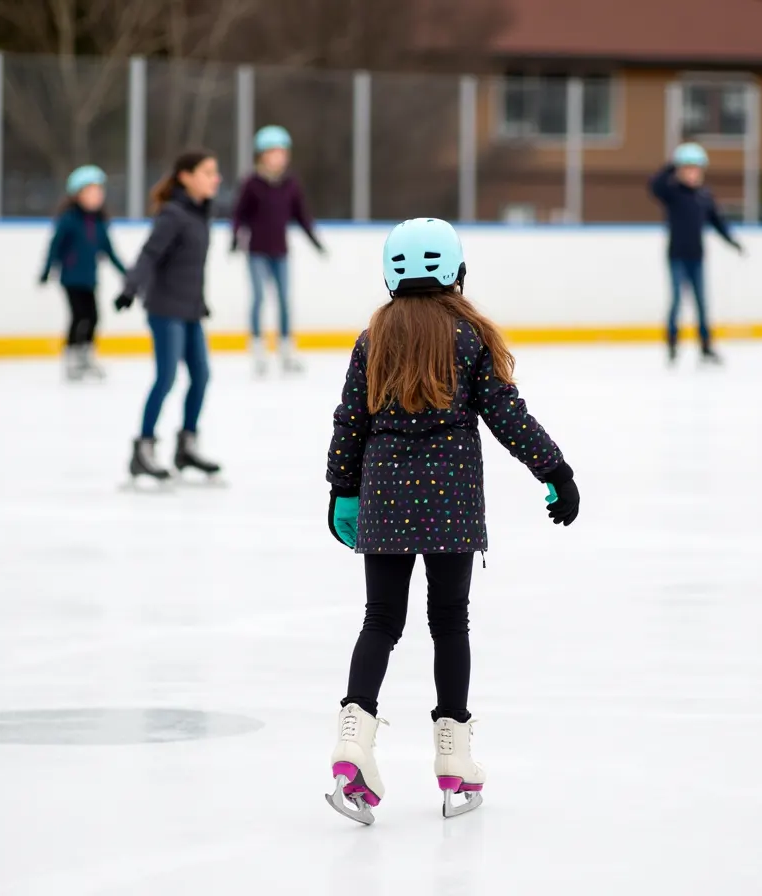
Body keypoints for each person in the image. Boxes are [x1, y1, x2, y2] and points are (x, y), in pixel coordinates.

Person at [322, 217, 580, 825]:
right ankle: (454, 760)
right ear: (456, 271)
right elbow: (507, 415)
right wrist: (556, 470)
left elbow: (348, 420)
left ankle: (351, 743)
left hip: (384, 497)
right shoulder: (470, 336)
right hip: (450, 504)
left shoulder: (374, 336)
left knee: (380, 621)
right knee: (449, 623)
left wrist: (342, 490)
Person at [114, 151, 222, 483]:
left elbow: (190, 267)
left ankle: (186, 446)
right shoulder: (173, 214)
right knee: (166, 378)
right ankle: (142, 450)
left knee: (201, 376)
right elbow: (149, 253)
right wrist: (130, 288)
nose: (215, 178)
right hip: (164, 311)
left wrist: (200, 301)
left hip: (189, 310)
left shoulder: (200, 213)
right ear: (185, 176)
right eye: (207, 172)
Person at [230, 125, 325, 376]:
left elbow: (301, 215)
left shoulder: (291, 184)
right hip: (257, 252)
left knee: (284, 300)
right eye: (274, 151)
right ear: (262, 154)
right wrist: (234, 237)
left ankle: (285, 350)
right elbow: (239, 214)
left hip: (280, 252)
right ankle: (258, 349)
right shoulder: (252, 183)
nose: (279, 156)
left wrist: (315, 241)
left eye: (283, 151)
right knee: (259, 298)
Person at [648, 142, 743, 365]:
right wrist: (673, 163)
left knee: (702, 303)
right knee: (676, 301)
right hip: (676, 256)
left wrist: (732, 241)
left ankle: (706, 347)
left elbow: (717, 221)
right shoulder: (673, 193)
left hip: (697, 257)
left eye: (695, 168)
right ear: (680, 171)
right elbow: (654, 185)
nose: (692, 173)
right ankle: (672, 344)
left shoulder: (704, 196)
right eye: (687, 168)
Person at [40, 165, 125, 381]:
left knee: (94, 317)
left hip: (90, 278)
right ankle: (72, 358)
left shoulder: (99, 222)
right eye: (90, 191)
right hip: (71, 279)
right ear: (77, 194)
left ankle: (86, 356)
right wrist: (47, 270)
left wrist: (126, 272)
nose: (96, 196)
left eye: (99, 191)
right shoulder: (69, 219)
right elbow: (55, 246)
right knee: (78, 316)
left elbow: (108, 250)